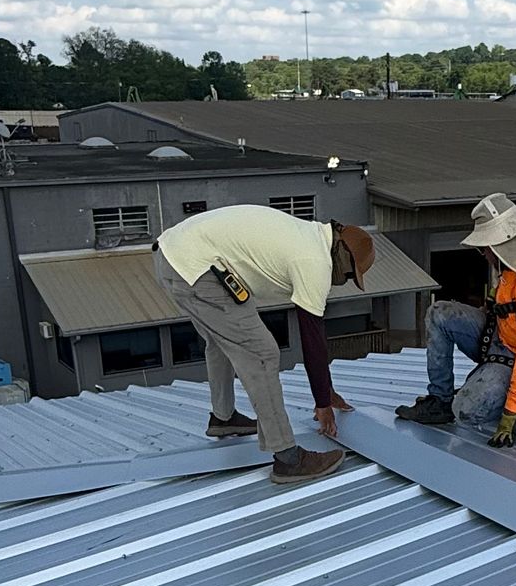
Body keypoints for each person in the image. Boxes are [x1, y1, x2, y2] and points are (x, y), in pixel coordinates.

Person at [153, 203, 375, 485]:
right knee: (262, 352)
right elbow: (313, 338)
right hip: (197, 267)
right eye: (347, 275)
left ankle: (223, 418)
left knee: (221, 340)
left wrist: (326, 390)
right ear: (343, 257)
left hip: (172, 255)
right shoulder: (315, 261)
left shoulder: (310, 235)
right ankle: (287, 458)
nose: (342, 281)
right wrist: (322, 401)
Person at [396, 192, 516, 445]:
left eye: (484, 249)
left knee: (465, 411)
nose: (483, 254)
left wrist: (510, 413)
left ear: (500, 246)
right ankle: (439, 400)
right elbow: (503, 303)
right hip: (500, 337)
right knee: (439, 314)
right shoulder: (513, 262)